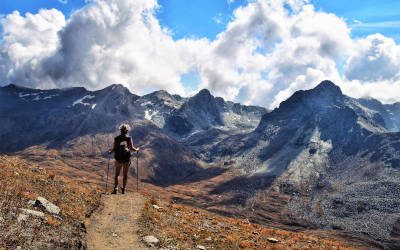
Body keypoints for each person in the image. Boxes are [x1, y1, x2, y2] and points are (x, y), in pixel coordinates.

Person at [109, 124, 139, 194]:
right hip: (126, 159)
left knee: (117, 175)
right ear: (127, 131)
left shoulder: (116, 138)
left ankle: (115, 189)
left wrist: (110, 152)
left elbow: (113, 149)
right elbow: (132, 148)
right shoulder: (129, 138)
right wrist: (137, 149)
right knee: (125, 175)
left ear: (120, 131)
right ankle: (124, 189)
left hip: (118, 159)